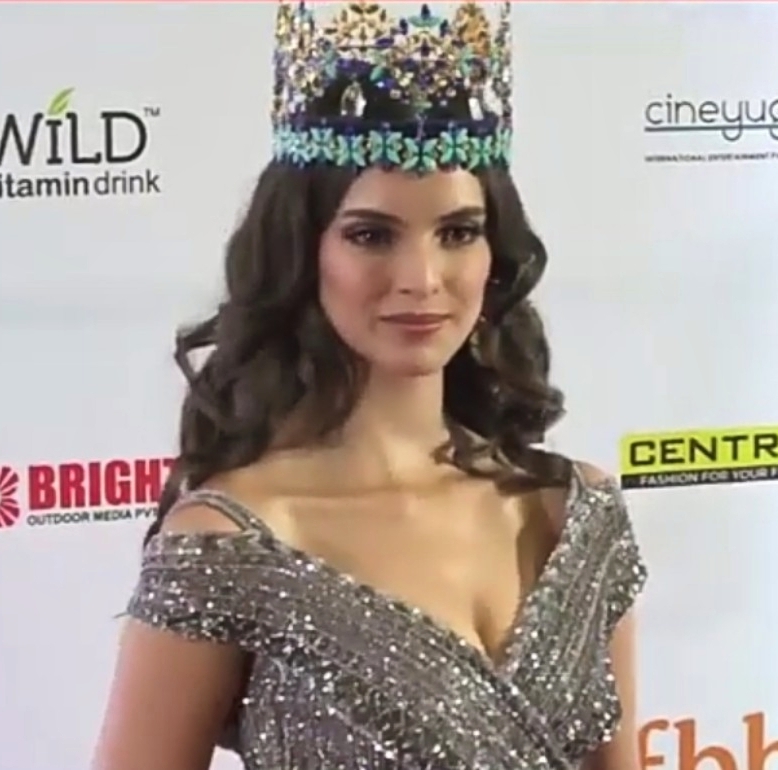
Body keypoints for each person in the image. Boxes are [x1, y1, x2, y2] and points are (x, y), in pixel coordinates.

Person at [93, 2, 648, 769]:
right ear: (302, 251)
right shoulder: (230, 546)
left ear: (494, 254)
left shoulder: (577, 517)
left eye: (458, 233)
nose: (421, 279)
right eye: (371, 235)